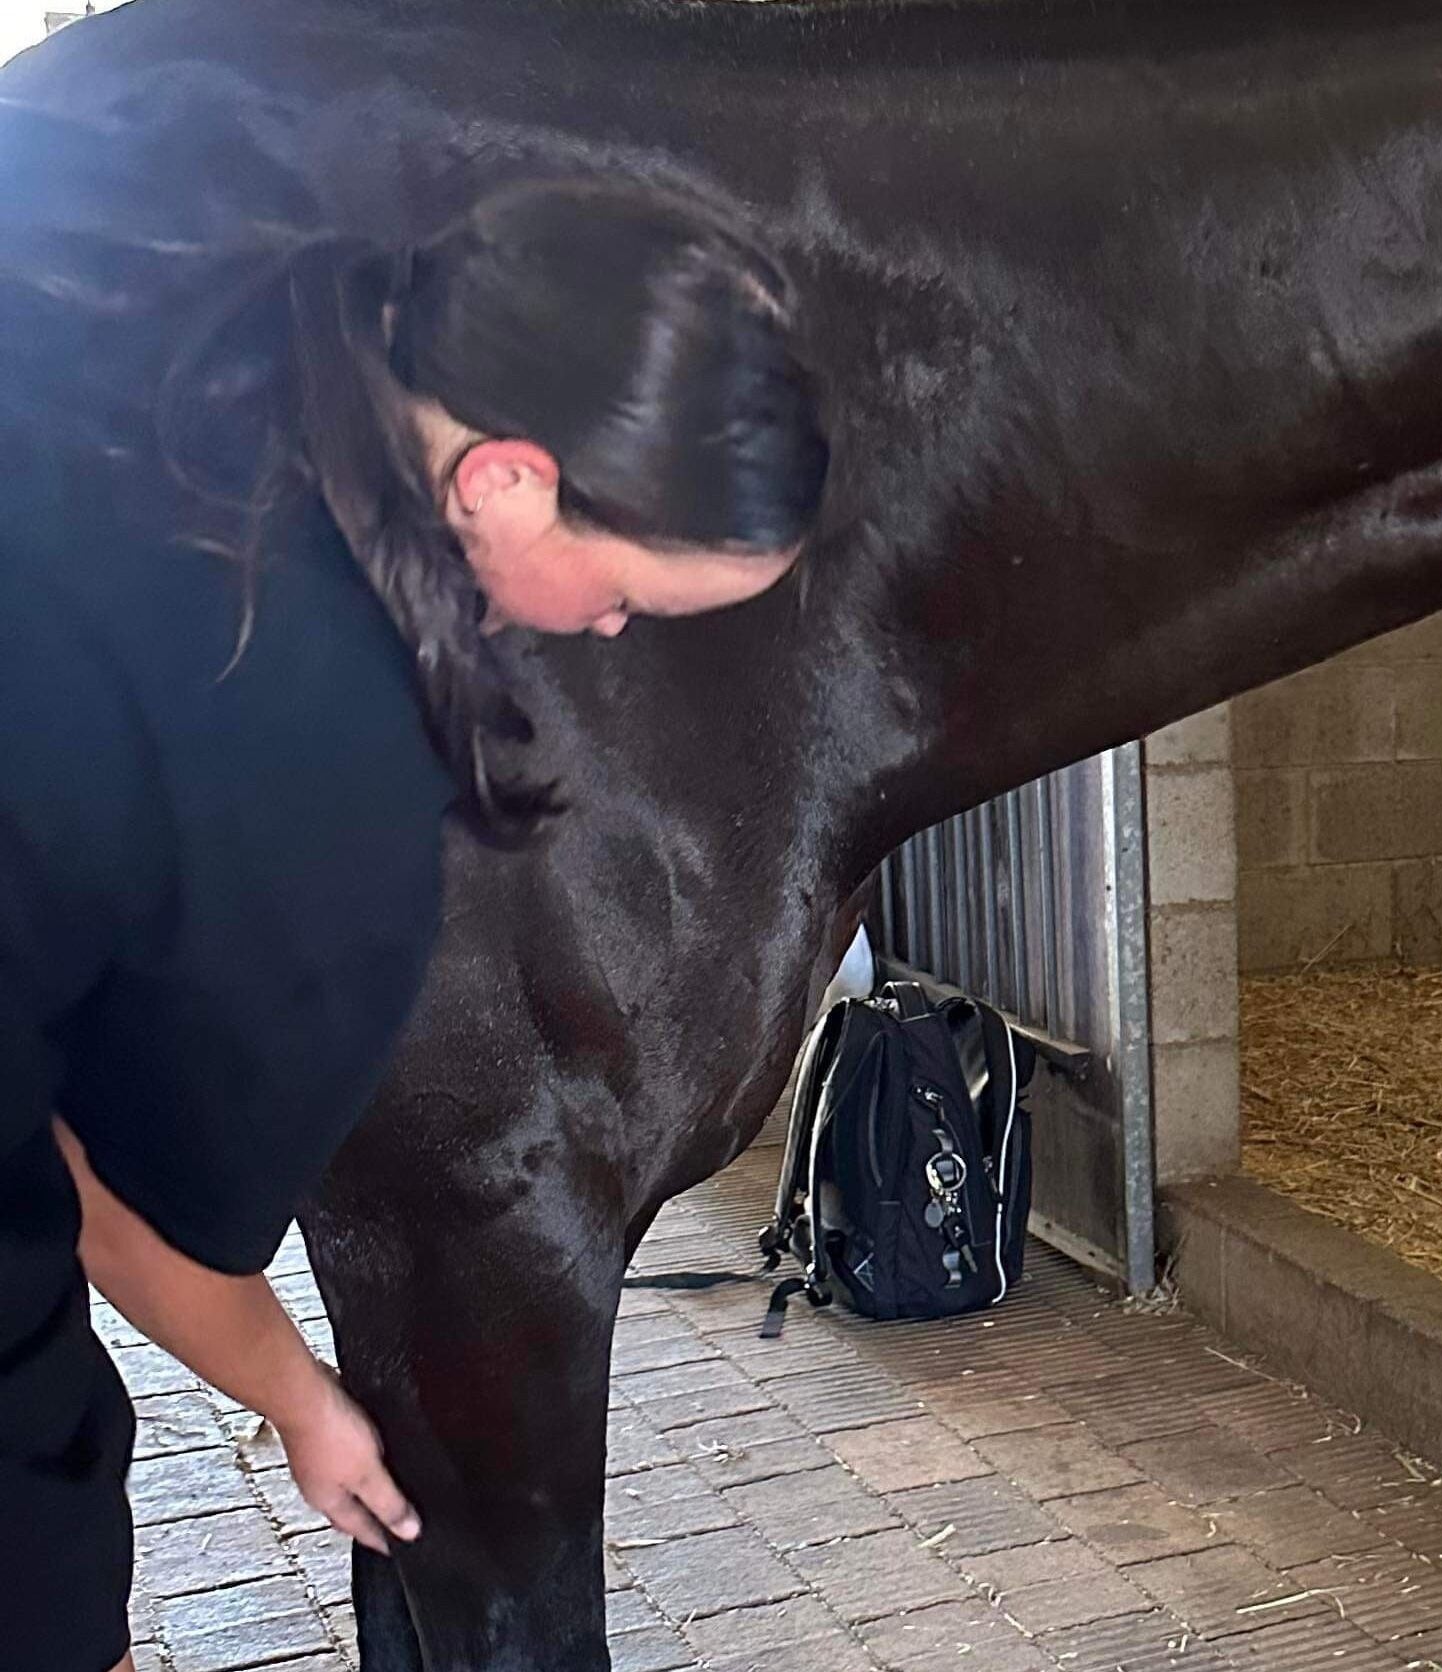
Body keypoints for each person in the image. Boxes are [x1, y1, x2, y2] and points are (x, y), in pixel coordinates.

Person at [0, 176, 831, 1672]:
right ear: (504, 480)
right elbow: (108, 1200)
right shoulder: (328, 776)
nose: (609, 629)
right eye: (630, 593)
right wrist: (300, 1402)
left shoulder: (187, 307)